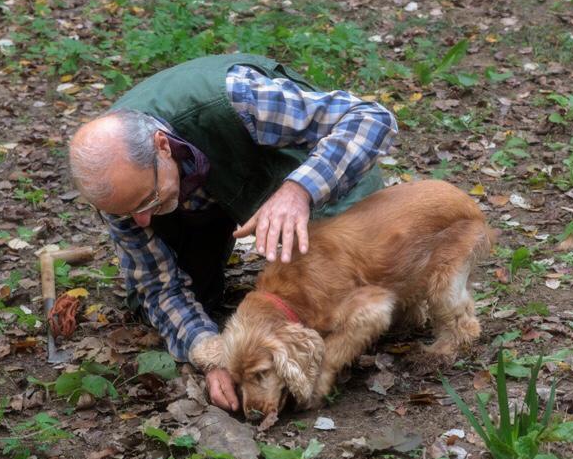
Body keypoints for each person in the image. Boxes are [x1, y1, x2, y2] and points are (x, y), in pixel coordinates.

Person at [68, 53, 397, 412]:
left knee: (345, 298)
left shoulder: (238, 98)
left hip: (294, 180)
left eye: (147, 200)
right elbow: (158, 288)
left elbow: (370, 118)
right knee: (173, 298)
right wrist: (212, 354)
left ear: (163, 147)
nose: (142, 221)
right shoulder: (116, 187)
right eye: (129, 212)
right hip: (204, 202)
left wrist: (299, 192)